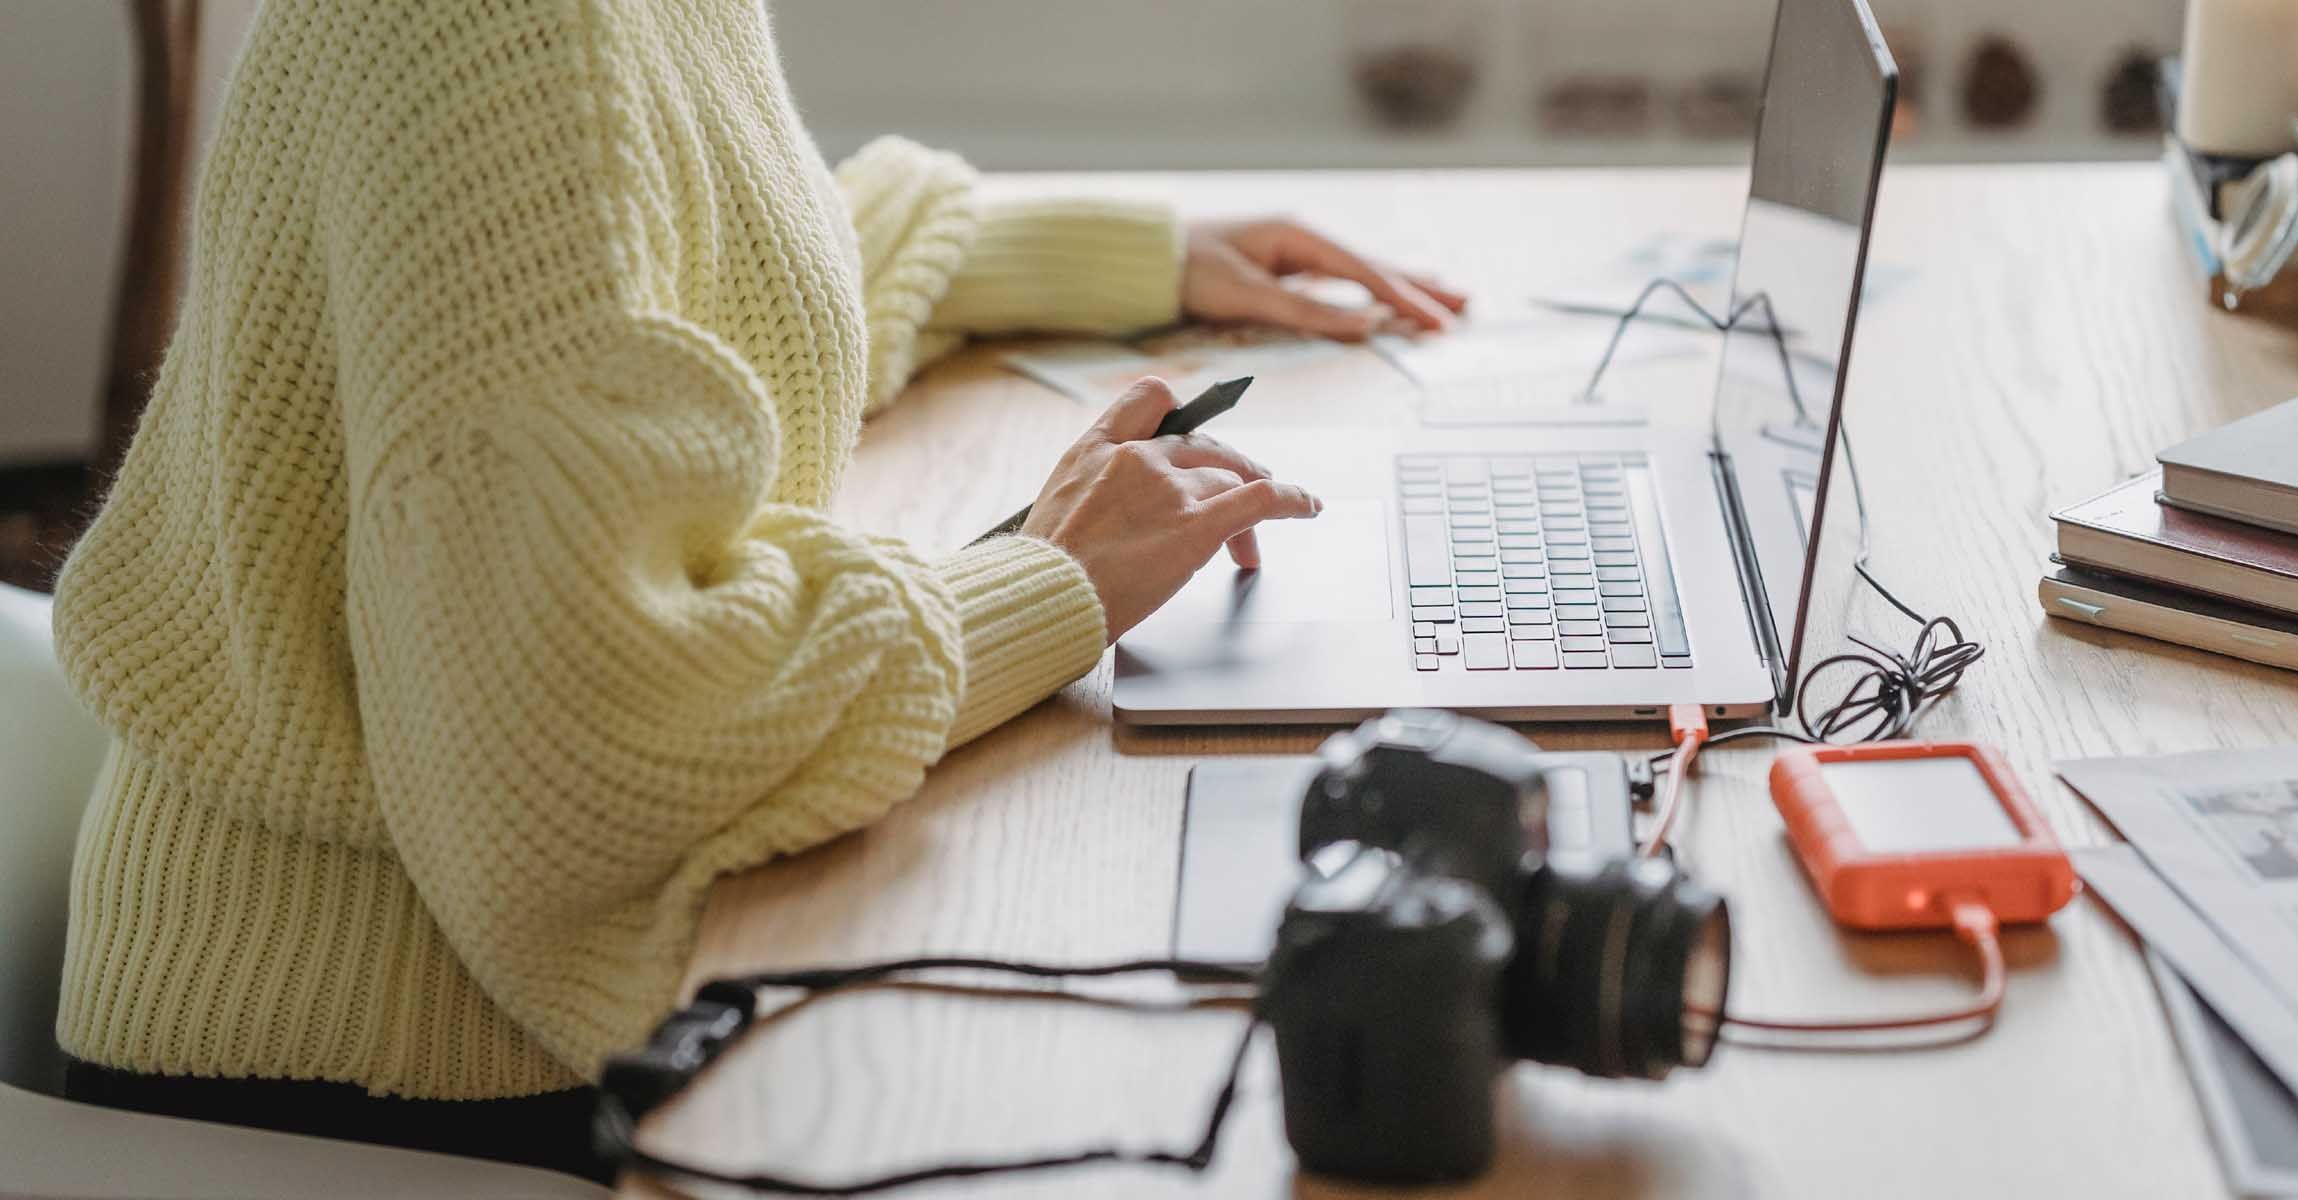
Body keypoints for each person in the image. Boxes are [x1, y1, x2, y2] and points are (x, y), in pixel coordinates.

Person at [44, 0, 1467, 1184]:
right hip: (373, 1066)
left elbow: (670, 296)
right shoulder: (504, 24)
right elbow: (579, 732)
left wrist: (1117, 256)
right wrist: (1042, 586)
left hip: (433, 972)